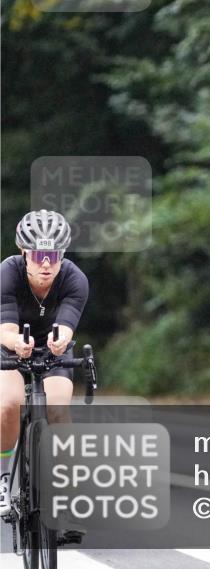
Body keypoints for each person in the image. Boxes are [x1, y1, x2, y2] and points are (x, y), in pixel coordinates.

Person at [0, 210, 89, 516]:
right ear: (24, 252)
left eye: (54, 254)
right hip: (11, 347)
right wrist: (17, 344)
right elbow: (6, 330)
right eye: (39, 255)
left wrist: (61, 340)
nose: (47, 263)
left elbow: (66, 326)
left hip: (53, 349)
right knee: (8, 405)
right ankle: (2, 476)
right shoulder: (7, 273)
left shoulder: (74, 279)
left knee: (57, 410)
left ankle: (68, 495)